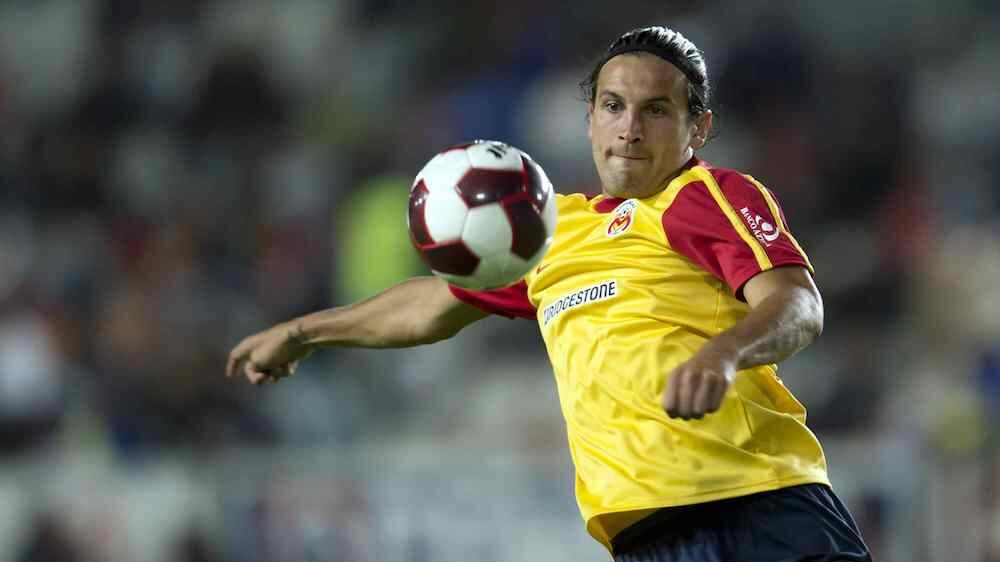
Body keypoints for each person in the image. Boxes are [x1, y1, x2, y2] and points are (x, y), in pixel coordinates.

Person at [226, 25, 873, 562]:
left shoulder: (706, 196)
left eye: (656, 110)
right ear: (589, 120)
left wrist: (722, 354)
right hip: (649, 537)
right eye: (613, 106)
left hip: (759, 509)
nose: (630, 129)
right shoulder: (551, 231)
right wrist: (304, 332)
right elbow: (431, 305)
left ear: (698, 128)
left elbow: (797, 302)